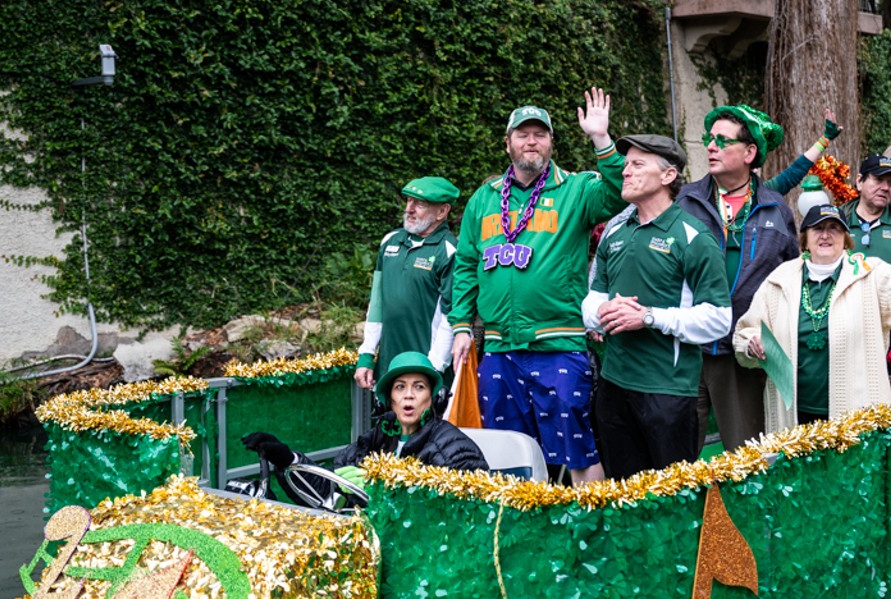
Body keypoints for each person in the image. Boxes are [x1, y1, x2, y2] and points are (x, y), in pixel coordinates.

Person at [449, 89, 622, 485]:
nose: (532, 141)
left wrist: (600, 138)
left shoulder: (576, 190)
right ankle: (520, 536)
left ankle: (587, 533)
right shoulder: (484, 198)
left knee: (576, 449)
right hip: (498, 347)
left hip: (557, 344)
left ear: (551, 142)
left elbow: (617, 193)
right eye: (523, 134)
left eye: (540, 134)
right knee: (507, 452)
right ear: (507, 142)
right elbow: (466, 265)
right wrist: (461, 325)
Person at [733, 204, 891, 428]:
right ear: (804, 240)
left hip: (855, 416)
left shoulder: (869, 274)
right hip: (793, 417)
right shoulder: (779, 279)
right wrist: (752, 344)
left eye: (834, 228)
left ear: (845, 239)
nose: (825, 234)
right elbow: (747, 332)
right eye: (817, 228)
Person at [677, 105, 837, 452]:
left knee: (745, 453)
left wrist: (772, 338)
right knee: (675, 454)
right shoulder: (685, 200)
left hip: (743, 352)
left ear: (750, 153)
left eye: (722, 140)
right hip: (686, 347)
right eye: (709, 139)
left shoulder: (775, 208)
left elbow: (790, 282)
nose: (710, 146)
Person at [582, 135, 732, 478]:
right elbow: (592, 298)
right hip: (613, 386)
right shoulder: (615, 229)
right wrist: (603, 312)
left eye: (637, 164)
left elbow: (719, 320)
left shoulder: (694, 237)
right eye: (626, 165)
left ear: (667, 176)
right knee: (623, 493)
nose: (625, 172)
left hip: (668, 390)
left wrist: (648, 317)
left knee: (671, 500)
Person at [242, 352, 488, 505]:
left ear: (435, 399)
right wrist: (287, 459)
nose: (409, 396)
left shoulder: (457, 450)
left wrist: (378, 489)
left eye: (419, 387)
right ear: (388, 399)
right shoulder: (376, 438)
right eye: (400, 387)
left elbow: (456, 517)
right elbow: (329, 489)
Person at [354, 176, 459, 392]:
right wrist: (366, 355)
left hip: (428, 370)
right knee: (387, 425)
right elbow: (377, 305)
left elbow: (452, 318)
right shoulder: (390, 241)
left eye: (419, 204)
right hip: (388, 367)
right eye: (409, 201)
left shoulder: (449, 251)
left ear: (442, 211)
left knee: (428, 427)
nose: (409, 209)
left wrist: (433, 368)